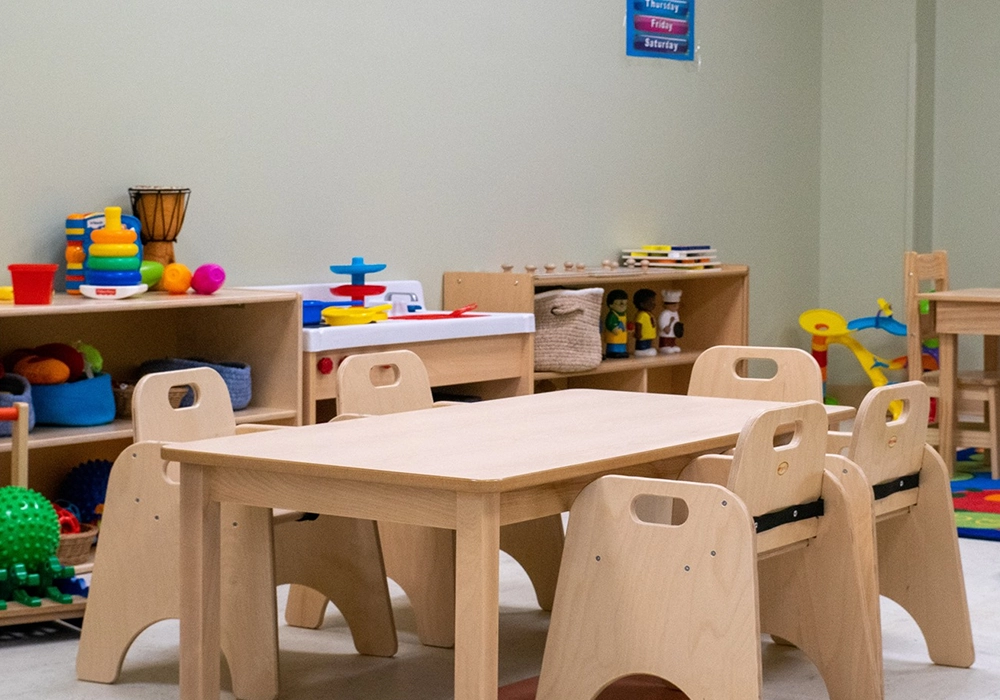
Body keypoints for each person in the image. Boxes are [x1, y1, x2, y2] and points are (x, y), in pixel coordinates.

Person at [603, 289, 629, 358]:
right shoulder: (612, 315)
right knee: (614, 346)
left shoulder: (624, 314)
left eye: (625, 303)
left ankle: (622, 351)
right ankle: (612, 352)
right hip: (614, 337)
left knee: (622, 345)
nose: (623, 306)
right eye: (621, 304)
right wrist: (613, 328)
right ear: (611, 305)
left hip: (621, 336)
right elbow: (609, 323)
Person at [632, 288, 658, 357]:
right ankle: (641, 350)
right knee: (643, 344)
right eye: (650, 302)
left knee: (648, 344)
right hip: (642, 338)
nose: (654, 304)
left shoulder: (649, 314)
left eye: (654, 301)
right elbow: (638, 324)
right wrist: (638, 334)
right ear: (642, 304)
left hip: (648, 337)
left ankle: (646, 349)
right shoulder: (641, 315)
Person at [658, 289, 683, 354]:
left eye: (676, 304)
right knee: (666, 339)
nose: (675, 306)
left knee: (672, 339)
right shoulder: (665, 313)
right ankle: (664, 347)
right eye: (673, 305)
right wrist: (665, 327)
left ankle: (672, 345)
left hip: (673, 332)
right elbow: (662, 322)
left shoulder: (676, 313)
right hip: (667, 332)